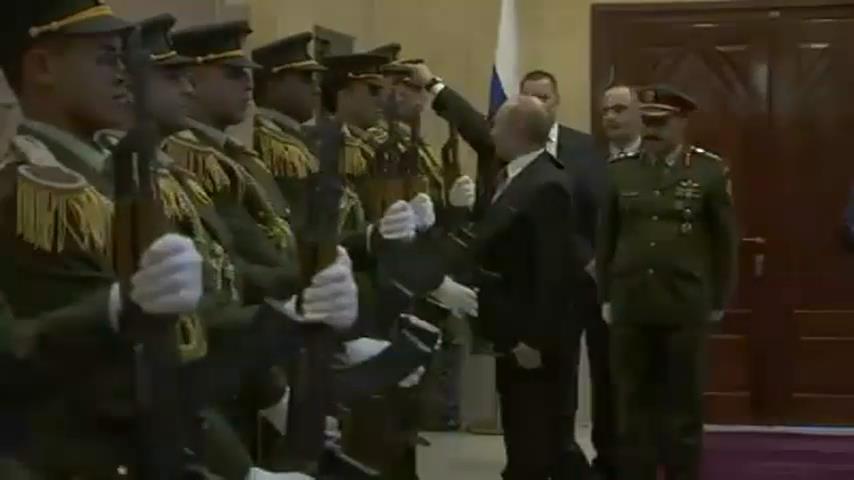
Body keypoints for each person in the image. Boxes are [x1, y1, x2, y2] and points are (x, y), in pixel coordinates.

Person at [597, 84, 738, 480]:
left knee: (682, 410)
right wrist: (605, 295)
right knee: (632, 409)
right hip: (631, 303)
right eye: (648, 121)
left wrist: (719, 299)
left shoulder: (709, 171)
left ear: (682, 123)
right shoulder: (620, 171)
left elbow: (725, 242)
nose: (653, 130)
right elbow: (607, 238)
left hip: (684, 304)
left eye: (662, 122)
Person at [521, 69, 614, 478]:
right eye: (529, 96)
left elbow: (594, 209)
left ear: (557, 101)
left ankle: (605, 457)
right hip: (538, 284)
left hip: (584, 281)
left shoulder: (584, 147)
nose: (538, 103)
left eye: (544, 96)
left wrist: (591, 259)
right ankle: (559, 453)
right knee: (555, 378)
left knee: (601, 370)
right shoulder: (511, 145)